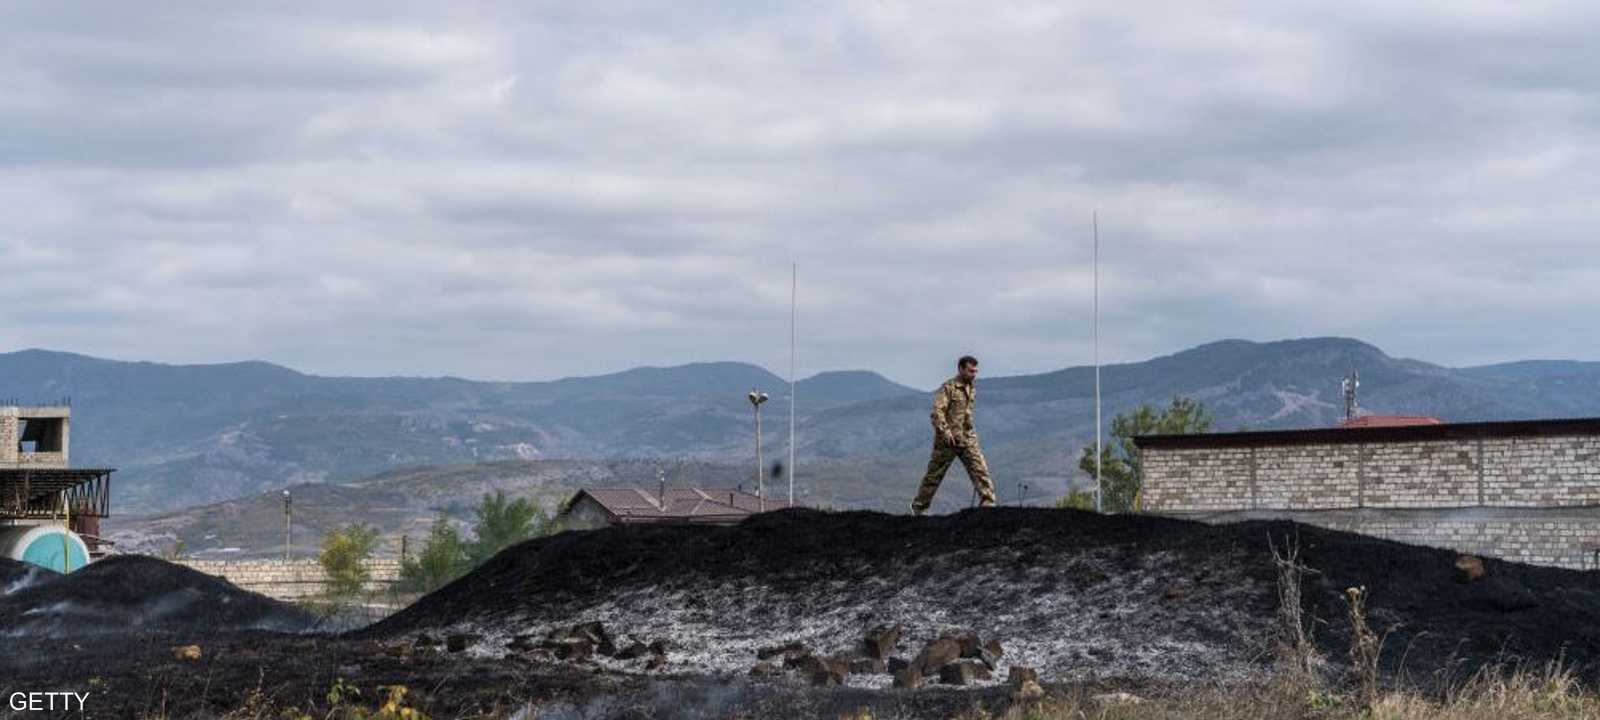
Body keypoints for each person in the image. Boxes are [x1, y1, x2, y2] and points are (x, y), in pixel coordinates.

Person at [910, 355, 996, 514]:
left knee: (981, 471)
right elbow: (937, 412)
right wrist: (944, 431)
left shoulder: (971, 388)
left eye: (975, 371)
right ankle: (919, 508)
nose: (974, 374)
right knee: (934, 476)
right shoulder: (948, 388)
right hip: (947, 441)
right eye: (970, 371)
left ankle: (988, 506)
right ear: (961, 369)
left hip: (967, 438)